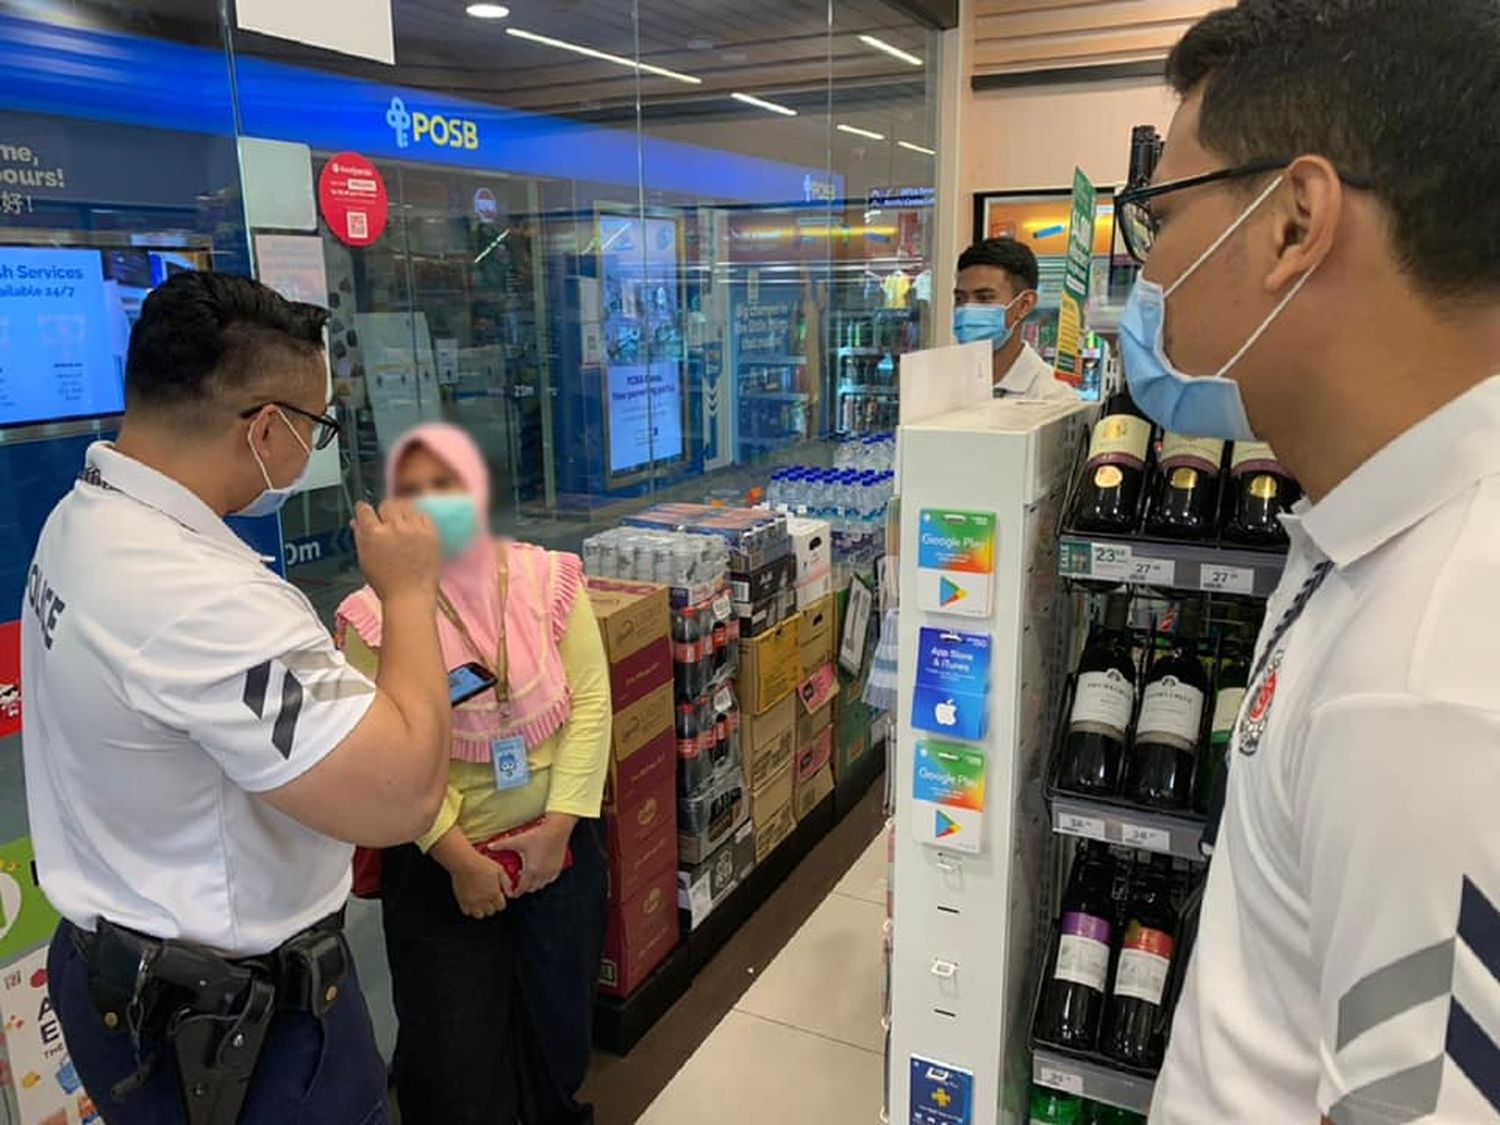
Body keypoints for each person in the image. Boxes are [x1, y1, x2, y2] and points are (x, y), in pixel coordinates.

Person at [1112, 2, 1500, 1122]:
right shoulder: (1375, 531)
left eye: (1164, 217)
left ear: (1293, 221)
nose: (1153, 271)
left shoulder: (1433, 677)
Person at [21, 272, 453, 1124]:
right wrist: (407, 596)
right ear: (264, 427)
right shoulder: (203, 601)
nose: (313, 451)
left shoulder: (80, 519)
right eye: (317, 428)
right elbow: (404, 793)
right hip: (236, 1038)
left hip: (113, 975)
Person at [336, 423, 611, 1125]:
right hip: (440, 868)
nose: (433, 505)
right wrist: (460, 859)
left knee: (558, 1024)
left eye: (448, 485)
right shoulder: (373, 619)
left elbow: (591, 706)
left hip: (560, 850)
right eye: (413, 490)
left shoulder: (549, 579)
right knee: (456, 1054)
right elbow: (385, 757)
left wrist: (557, 832)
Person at [952, 237, 1077, 400]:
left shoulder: (1052, 396)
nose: (967, 309)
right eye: (960, 299)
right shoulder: (937, 383)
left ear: (1024, 305)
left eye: (984, 298)